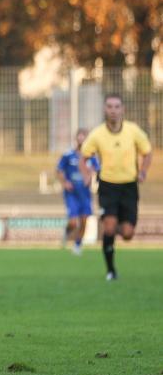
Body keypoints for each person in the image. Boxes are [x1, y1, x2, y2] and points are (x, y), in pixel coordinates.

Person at [80, 94, 152, 280]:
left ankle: (114, 223)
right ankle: (111, 270)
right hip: (107, 186)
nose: (113, 110)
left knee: (127, 234)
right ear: (105, 110)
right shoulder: (97, 134)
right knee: (109, 228)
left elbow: (147, 152)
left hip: (129, 186)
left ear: (123, 109)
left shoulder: (133, 131)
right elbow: (84, 157)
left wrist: (143, 171)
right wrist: (87, 174)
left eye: (117, 106)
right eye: (110, 106)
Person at [56, 129, 98, 255]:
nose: (82, 140)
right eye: (80, 137)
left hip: (85, 194)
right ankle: (67, 232)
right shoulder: (68, 155)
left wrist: (92, 177)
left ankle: (78, 245)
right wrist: (65, 182)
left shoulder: (92, 156)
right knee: (73, 222)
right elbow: (59, 170)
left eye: (84, 137)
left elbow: (97, 170)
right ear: (76, 139)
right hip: (72, 193)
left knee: (84, 220)